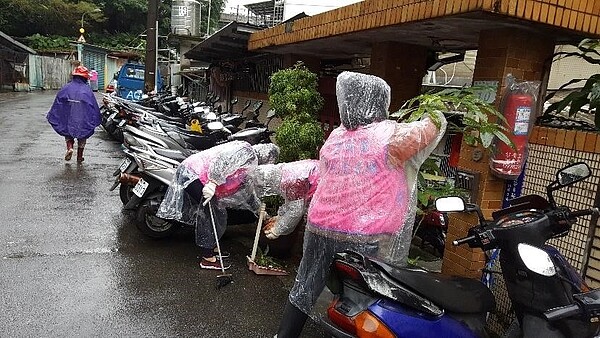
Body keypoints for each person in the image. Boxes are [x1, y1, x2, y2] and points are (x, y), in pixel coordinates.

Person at [274, 71, 447, 337]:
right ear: (379, 102)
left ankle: (285, 335)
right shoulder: (391, 137)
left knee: (306, 285)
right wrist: (436, 109)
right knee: (370, 297)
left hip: (320, 228)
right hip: (365, 237)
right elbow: (432, 127)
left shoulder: (335, 137)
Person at [157, 141, 280, 270]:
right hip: (193, 174)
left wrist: (260, 211)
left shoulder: (250, 166)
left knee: (218, 213)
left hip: (202, 179)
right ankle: (207, 258)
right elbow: (221, 161)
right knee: (211, 214)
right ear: (266, 157)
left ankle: (210, 247)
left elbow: (248, 194)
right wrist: (213, 183)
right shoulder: (246, 152)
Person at [250, 159, 320, 240]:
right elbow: (290, 200)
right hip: (317, 174)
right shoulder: (282, 172)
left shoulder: (289, 182)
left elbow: (296, 211)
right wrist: (280, 216)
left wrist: (277, 230)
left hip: (321, 186)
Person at [46, 65, 101, 163]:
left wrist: (53, 114)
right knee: (83, 137)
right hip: (82, 118)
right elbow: (93, 105)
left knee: (68, 133)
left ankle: (70, 148)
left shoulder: (66, 88)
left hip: (69, 116)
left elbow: (59, 103)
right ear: (85, 78)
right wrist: (97, 118)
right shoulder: (87, 90)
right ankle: (79, 157)